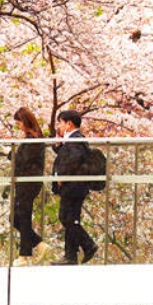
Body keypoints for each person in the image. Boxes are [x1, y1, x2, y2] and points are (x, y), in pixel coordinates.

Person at [50, 110, 98, 266]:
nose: (59, 126)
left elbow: (75, 158)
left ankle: (87, 244)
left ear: (68, 124)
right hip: (75, 186)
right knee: (71, 218)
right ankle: (70, 255)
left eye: (60, 123)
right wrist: (58, 146)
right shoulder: (73, 140)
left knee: (66, 217)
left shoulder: (76, 140)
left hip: (73, 186)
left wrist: (62, 175)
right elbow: (69, 155)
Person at [9, 108, 51, 266]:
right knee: (17, 218)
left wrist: (10, 154)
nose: (18, 126)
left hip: (28, 183)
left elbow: (23, 159)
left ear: (25, 122)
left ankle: (25, 254)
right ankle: (39, 245)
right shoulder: (32, 138)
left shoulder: (34, 139)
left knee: (22, 217)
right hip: (25, 182)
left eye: (19, 123)